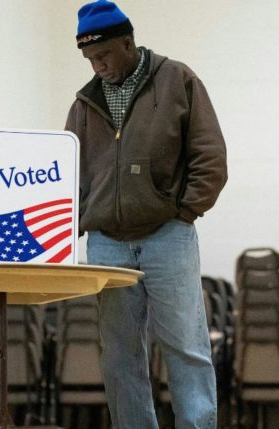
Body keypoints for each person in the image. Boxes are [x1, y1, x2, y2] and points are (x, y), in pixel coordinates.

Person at [65, 1, 228, 428]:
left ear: (128, 42)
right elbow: (67, 173)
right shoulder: (84, 104)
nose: (98, 66)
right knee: (119, 356)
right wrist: (83, 220)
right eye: (89, 59)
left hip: (167, 236)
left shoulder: (178, 80)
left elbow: (210, 156)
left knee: (186, 348)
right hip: (106, 242)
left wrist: (184, 211)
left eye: (103, 55)